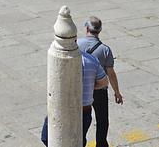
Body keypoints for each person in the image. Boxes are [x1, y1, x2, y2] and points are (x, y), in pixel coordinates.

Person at [40, 41, 108, 145]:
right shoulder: (91, 60)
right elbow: (104, 82)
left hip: (62, 112)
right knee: (78, 142)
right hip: (84, 111)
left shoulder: (58, 58)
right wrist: (89, 88)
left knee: (47, 137)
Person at [79, 17, 123, 147]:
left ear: (87, 28)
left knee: (81, 120)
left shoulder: (77, 44)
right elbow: (111, 74)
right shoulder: (105, 49)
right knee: (102, 120)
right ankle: (101, 144)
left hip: (81, 89)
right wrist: (117, 92)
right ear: (100, 30)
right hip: (99, 91)